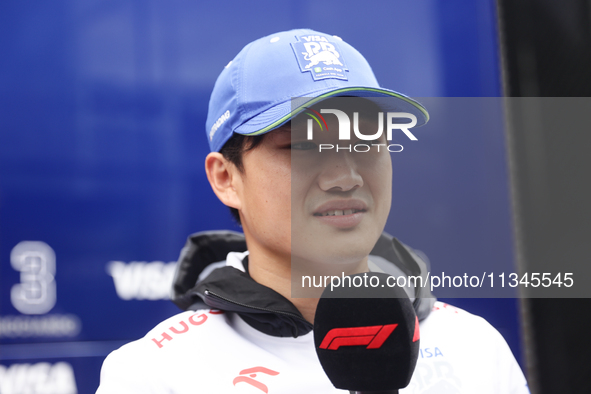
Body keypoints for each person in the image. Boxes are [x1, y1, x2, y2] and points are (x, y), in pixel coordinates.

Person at [96, 29, 529, 393]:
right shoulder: (155, 374)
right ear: (226, 178)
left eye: (364, 142)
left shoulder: (474, 348)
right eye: (303, 146)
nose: (344, 176)